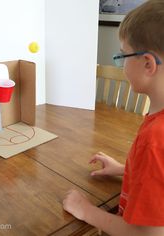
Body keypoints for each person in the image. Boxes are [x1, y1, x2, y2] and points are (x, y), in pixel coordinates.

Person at [63, 0, 164, 235]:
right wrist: (126, 169)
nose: (121, 63)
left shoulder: (155, 138)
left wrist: (87, 211)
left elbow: (147, 234)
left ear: (148, 64)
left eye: (123, 55)